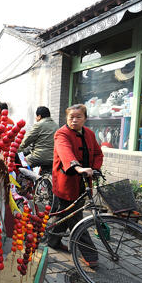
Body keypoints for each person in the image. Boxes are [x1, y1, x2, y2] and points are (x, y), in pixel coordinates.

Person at [49, 104, 103, 266]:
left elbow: (98, 153)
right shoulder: (61, 134)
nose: (74, 120)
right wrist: (77, 167)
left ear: (85, 118)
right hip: (67, 181)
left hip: (85, 181)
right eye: (71, 117)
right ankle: (90, 255)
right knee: (75, 217)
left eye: (78, 117)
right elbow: (65, 152)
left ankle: (53, 242)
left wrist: (95, 169)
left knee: (64, 214)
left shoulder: (90, 134)